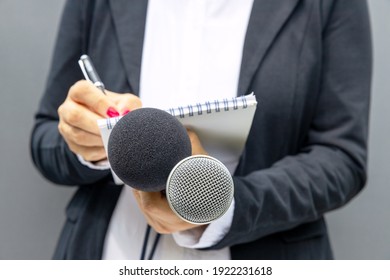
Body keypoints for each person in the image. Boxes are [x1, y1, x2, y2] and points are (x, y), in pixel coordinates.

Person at [30, 0, 372, 260]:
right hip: (108, 250)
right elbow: (45, 138)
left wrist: (217, 205)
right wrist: (90, 143)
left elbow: (341, 158)